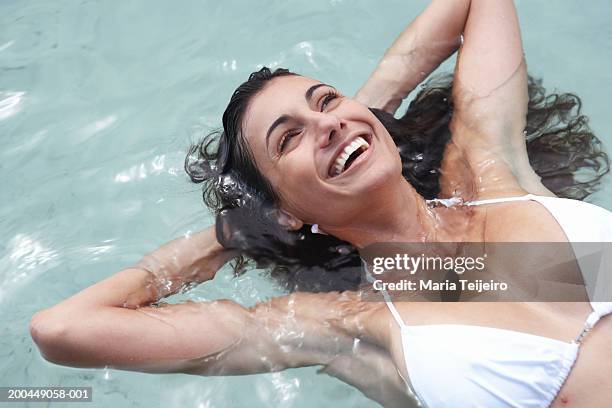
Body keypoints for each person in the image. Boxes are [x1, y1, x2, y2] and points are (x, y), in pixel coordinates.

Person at [30, 1, 612, 407]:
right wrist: (232, 232)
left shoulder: (492, 170)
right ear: (287, 209)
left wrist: (365, 115)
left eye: (325, 99)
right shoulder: (344, 323)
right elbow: (63, 330)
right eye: (289, 138)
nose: (325, 125)